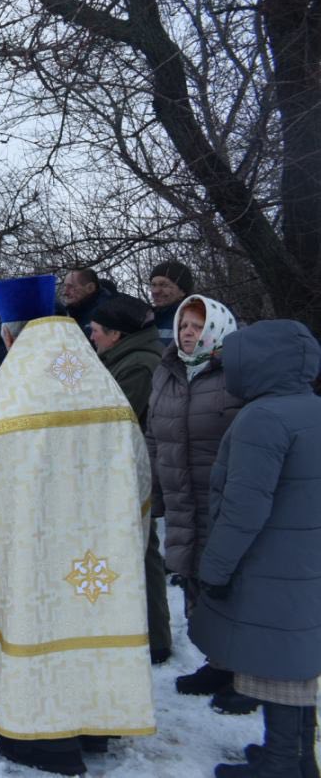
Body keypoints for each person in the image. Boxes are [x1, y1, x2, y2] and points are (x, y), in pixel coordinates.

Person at [0, 275, 154, 776]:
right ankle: (95, 724)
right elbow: (140, 477)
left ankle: (43, 740)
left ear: (10, 337)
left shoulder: (4, 411)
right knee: (93, 620)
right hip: (96, 562)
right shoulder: (108, 400)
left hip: (30, 557)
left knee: (34, 620)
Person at [188, 320, 321, 778]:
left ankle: (281, 763)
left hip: (267, 563)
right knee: (297, 661)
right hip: (305, 563)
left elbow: (243, 509)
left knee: (276, 665)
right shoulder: (312, 409)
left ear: (259, 364)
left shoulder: (262, 419)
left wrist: (216, 569)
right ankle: (299, 758)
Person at [147, 295, 244, 706]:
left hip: (221, 497)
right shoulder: (167, 370)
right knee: (192, 577)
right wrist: (153, 490)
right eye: (184, 325)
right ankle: (217, 662)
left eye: (198, 326)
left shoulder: (236, 372)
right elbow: (154, 433)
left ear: (218, 328)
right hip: (180, 495)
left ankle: (246, 672)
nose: (188, 333)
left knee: (231, 583)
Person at [90, 293, 170, 666]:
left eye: (96, 331)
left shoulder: (139, 365)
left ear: (116, 334)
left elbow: (116, 420)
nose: (92, 337)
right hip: (125, 467)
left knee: (141, 549)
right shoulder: (124, 357)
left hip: (133, 469)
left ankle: (154, 638)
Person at [148, 261, 194, 347]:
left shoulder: (195, 321)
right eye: (153, 285)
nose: (156, 291)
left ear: (182, 291)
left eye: (164, 285)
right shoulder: (146, 320)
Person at [61, 267, 108, 334]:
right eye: (65, 286)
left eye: (71, 287)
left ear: (90, 288)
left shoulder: (106, 314)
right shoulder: (71, 312)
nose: (65, 292)